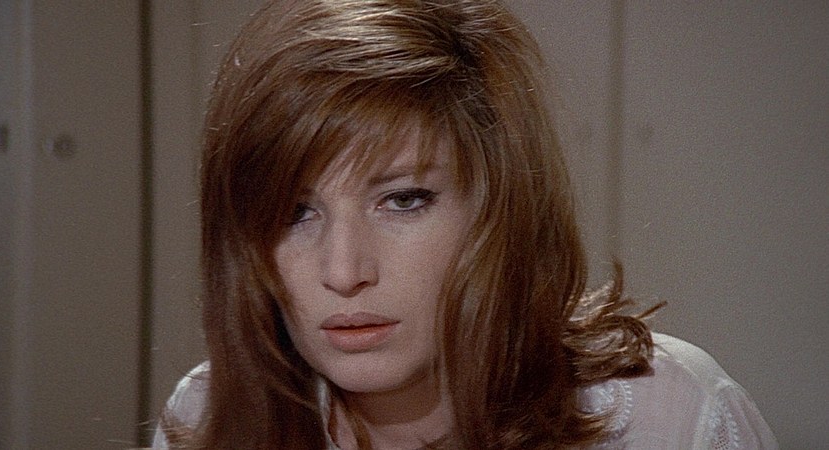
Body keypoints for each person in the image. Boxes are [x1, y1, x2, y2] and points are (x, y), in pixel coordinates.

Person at [153, 0, 777, 448]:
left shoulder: (667, 418)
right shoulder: (209, 417)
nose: (343, 272)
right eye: (296, 213)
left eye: (403, 200)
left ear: (497, 212)